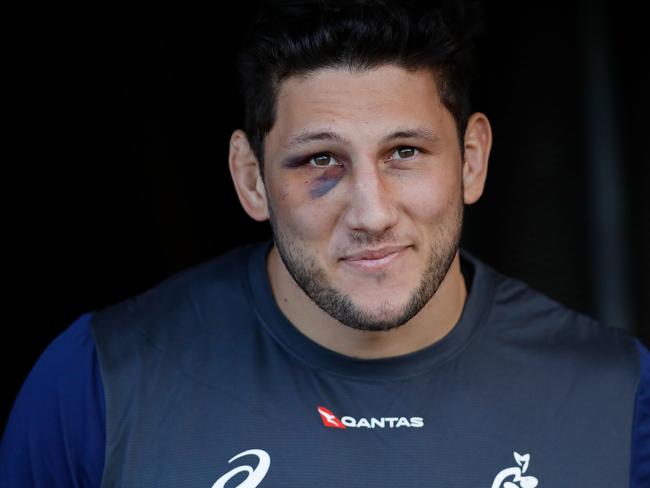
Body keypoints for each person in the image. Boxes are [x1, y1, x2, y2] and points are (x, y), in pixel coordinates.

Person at [1, 0, 648, 486]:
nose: (371, 212)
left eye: (404, 152)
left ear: (472, 159)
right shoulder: (99, 383)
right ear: (250, 179)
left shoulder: (621, 397)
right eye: (319, 162)